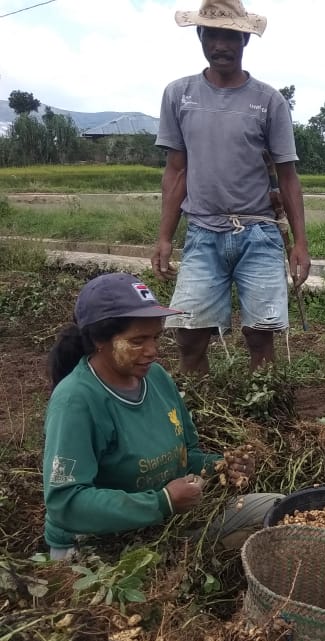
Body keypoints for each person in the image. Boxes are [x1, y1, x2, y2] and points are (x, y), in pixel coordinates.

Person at [42, 272, 281, 560]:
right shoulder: (76, 400)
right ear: (98, 340)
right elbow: (65, 502)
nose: (153, 351)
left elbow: (185, 455)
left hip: (162, 523)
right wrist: (162, 502)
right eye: (137, 341)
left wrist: (220, 467)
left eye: (156, 337)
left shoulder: (155, 378)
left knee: (278, 510)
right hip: (99, 545)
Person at [151, 0, 310, 374]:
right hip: (203, 232)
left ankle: (266, 419)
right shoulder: (179, 95)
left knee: (261, 334)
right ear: (200, 36)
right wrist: (164, 237)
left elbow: (288, 176)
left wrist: (300, 243)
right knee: (189, 334)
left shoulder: (268, 101)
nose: (221, 45)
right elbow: (176, 171)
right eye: (213, 35)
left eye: (231, 37)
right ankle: (199, 415)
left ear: (245, 41)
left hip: (258, 232)